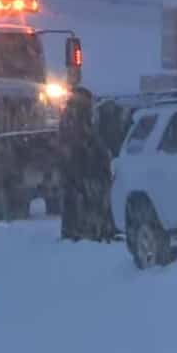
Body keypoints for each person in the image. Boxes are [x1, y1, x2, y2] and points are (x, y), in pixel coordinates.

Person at [58, 87, 117, 241]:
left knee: (81, 200)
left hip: (81, 169)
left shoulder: (71, 116)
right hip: (84, 169)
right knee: (89, 200)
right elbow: (81, 141)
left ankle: (80, 230)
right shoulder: (76, 117)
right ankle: (88, 231)